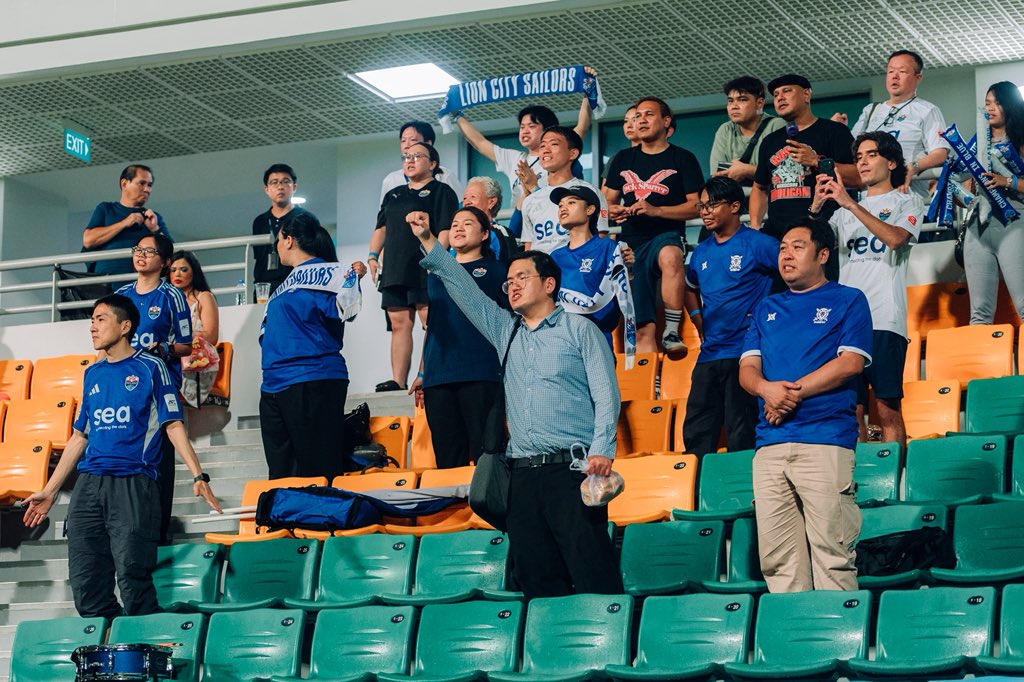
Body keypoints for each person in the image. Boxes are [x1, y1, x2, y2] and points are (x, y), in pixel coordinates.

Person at [407, 214, 623, 600]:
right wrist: (427, 239)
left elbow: (607, 394)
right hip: (521, 477)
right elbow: (462, 287)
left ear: (550, 284)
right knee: (535, 577)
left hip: (571, 471)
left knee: (592, 571)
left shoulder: (580, 330)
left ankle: (606, 635)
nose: (513, 286)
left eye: (523, 277)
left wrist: (603, 449)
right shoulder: (505, 331)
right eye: (509, 281)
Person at [22, 294, 221, 619]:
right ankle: (108, 644)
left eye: (101, 319)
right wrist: (50, 490)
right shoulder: (93, 373)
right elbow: (80, 436)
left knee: (132, 576)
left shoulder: (152, 367)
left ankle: (142, 644)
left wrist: (198, 476)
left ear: (125, 326)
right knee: (86, 582)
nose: (93, 326)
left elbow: (173, 425)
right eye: (92, 320)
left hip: (133, 482)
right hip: (89, 484)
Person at [739, 222, 872, 592]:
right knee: (779, 563)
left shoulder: (849, 299)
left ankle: (839, 631)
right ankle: (794, 631)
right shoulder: (766, 306)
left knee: (833, 555)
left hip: (824, 440)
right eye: (783, 247)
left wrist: (787, 396)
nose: (786, 255)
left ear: (823, 254)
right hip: (769, 445)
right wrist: (766, 389)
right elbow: (747, 370)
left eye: (797, 247)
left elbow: (850, 364)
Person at [811, 132, 922, 446]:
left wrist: (850, 204)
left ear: (891, 162)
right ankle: (859, 474)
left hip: (884, 319)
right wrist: (816, 207)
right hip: (847, 324)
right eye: (858, 157)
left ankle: (896, 472)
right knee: (853, 410)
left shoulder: (908, 201)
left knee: (886, 407)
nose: (862, 162)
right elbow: (812, 245)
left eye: (871, 155)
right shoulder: (841, 212)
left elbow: (896, 239)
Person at [260, 212, 366, 480]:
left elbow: (347, 309)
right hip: (272, 385)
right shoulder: (282, 285)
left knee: (318, 470)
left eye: (278, 239)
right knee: (281, 474)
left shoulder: (332, 272)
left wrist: (353, 278)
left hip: (313, 377)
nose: (276, 246)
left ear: (289, 240)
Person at [682, 177, 778, 457]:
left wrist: (770, 318)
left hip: (746, 354)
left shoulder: (759, 244)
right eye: (702, 206)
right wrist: (698, 318)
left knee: (741, 432)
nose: (705, 212)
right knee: (697, 432)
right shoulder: (701, 251)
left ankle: (743, 485)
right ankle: (696, 483)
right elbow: (689, 288)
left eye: (712, 205)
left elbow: (793, 275)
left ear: (735, 206)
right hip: (710, 353)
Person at [409, 207, 509, 468]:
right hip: (439, 377)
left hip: (481, 373)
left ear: (485, 234)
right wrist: (422, 372)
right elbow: (433, 325)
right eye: (454, 224)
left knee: (487, 457)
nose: (458, 228)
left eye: (467, 223)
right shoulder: (435, 276)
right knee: (447, 460)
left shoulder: (499, 271)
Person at [603, 96, 704, 354]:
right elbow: (605, 203)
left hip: (666, 234)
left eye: (649, 114)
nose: (641, 120)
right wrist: (613, 210)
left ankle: (671, 330)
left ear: (666, 121)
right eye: (637, 116)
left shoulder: (683, 158)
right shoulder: (623, 158)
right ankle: (647, 378)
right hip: (631, 244)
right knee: (642, 330)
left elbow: (696, 205)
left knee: (671, 255)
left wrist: (656, 210)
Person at [115, 233, 192, 545]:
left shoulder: (172, 296)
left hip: (159, 390)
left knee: (158, 462)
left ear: (165, 261)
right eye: (138, 249)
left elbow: (186, 345)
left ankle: (157, 534)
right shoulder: (120, 295)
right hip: (124, 391)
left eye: (149, 251)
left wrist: (164, 349)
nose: (141, 255)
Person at [369, 142, 457, 392]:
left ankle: (430, 374)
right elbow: (381, 228)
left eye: (417, 156)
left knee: (430, 320)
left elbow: (445, 230)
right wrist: (373, 256)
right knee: (399, 324)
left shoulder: (442, 191)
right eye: (406, 156)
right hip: (396, 267)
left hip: (424, 265)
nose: (410, 160)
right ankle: (398, 380)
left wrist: (436, 259)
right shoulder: (393, 194)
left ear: (432, 163)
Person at [455, 77, 596, 209]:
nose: (525, 131)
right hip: (521, 220)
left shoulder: (558, 154)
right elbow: (479, 142)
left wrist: (587, 93)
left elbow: (582, 127)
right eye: (522, 127)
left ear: (548, 129)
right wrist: (456, 115)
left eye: (532, 126)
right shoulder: (515, 158)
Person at [750, 75, 859, 241]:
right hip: (777, 237)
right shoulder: (769, 141)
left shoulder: (835, 131)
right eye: (776, 94)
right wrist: (755, 225)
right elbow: (759, 187)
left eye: (787, 91)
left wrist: (817, 161)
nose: (780, 97)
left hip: (820, 233)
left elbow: (858, 178)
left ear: (806, 95)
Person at [835, 50, 948, 196]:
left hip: (908, 196)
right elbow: (852, 153)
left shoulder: (927, 110)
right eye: (890, 71)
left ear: (918, 77)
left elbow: (940, 153)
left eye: (902, 71)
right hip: (868, 199)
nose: (895, 76)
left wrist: (912, 167)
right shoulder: (871, 110)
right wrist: (839, 131)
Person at [964, 81, 1024, 324]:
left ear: (1010, 105)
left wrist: (1006, 181)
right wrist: (962, 190)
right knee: (979, 314)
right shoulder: (976, 143)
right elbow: (964, 192)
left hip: (1014, 222)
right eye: (987, 103)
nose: (990, 108)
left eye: (997, 102)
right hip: (977, 227)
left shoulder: (1020, 139)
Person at [549, 185, 634, 351]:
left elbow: (622, 295)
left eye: (571, 202)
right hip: (562, 341)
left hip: (597, 338)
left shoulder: (607, 247)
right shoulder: (555, 256)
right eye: (560, 205)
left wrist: (628, 269)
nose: (563, 208)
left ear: (590, 209)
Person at [520, 126, 609, 253]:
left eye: (554, 144)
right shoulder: (530, 200)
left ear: (573, 153)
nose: (546, 150)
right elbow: (529, 247)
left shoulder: (589, 192)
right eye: (542, 146)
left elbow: (601, 237)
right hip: (540, 265)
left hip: (576, 264)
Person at [84, 164, 173, 276]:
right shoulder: (106, 209)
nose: (147, 189)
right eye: (141, 183)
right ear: (124, 184)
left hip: (141, 283)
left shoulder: (154, 218)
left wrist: (155, 229)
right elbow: (88, 240)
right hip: (106, 282)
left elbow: (173, 255)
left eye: (149, 185)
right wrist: (124, 223)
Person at [169, 250, 222, 409]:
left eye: (183, 269)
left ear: (194, 272)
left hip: (195, 365)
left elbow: (211, 336)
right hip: (170, 358)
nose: (177, 274)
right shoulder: (165, 300)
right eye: (173, 270)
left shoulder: (203, 297)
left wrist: (181, 337)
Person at [710, 76, 785, 186]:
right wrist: (759, 171)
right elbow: (719, 177)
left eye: (742, 100)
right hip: (736, 196)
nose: (734, 106)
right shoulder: (725, 130)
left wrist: (746, 170)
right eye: (730, 101)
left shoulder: (776, 126)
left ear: (759, 103)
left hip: (767, 195)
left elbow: (783, 173)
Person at [252, 163, 307, 297]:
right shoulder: (260, 221)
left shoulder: (305, 218)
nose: (280, 187)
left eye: (285, 182)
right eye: (274, 182)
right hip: (264, 287)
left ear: (294, 187)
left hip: (296, 284)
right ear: (266, 189)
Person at [379, 120, 462, 202]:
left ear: (428, 143)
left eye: (413, 140)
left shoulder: (445, 176)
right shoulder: (391, 180)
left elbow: (461, 207)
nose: (406, 146)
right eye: (403, 141)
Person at [462, 176, 520, 262]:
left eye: (473, 197)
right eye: (464, 198)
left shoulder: (499, 233)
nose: (466, 202)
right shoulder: (458, 232)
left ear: (491, 202)